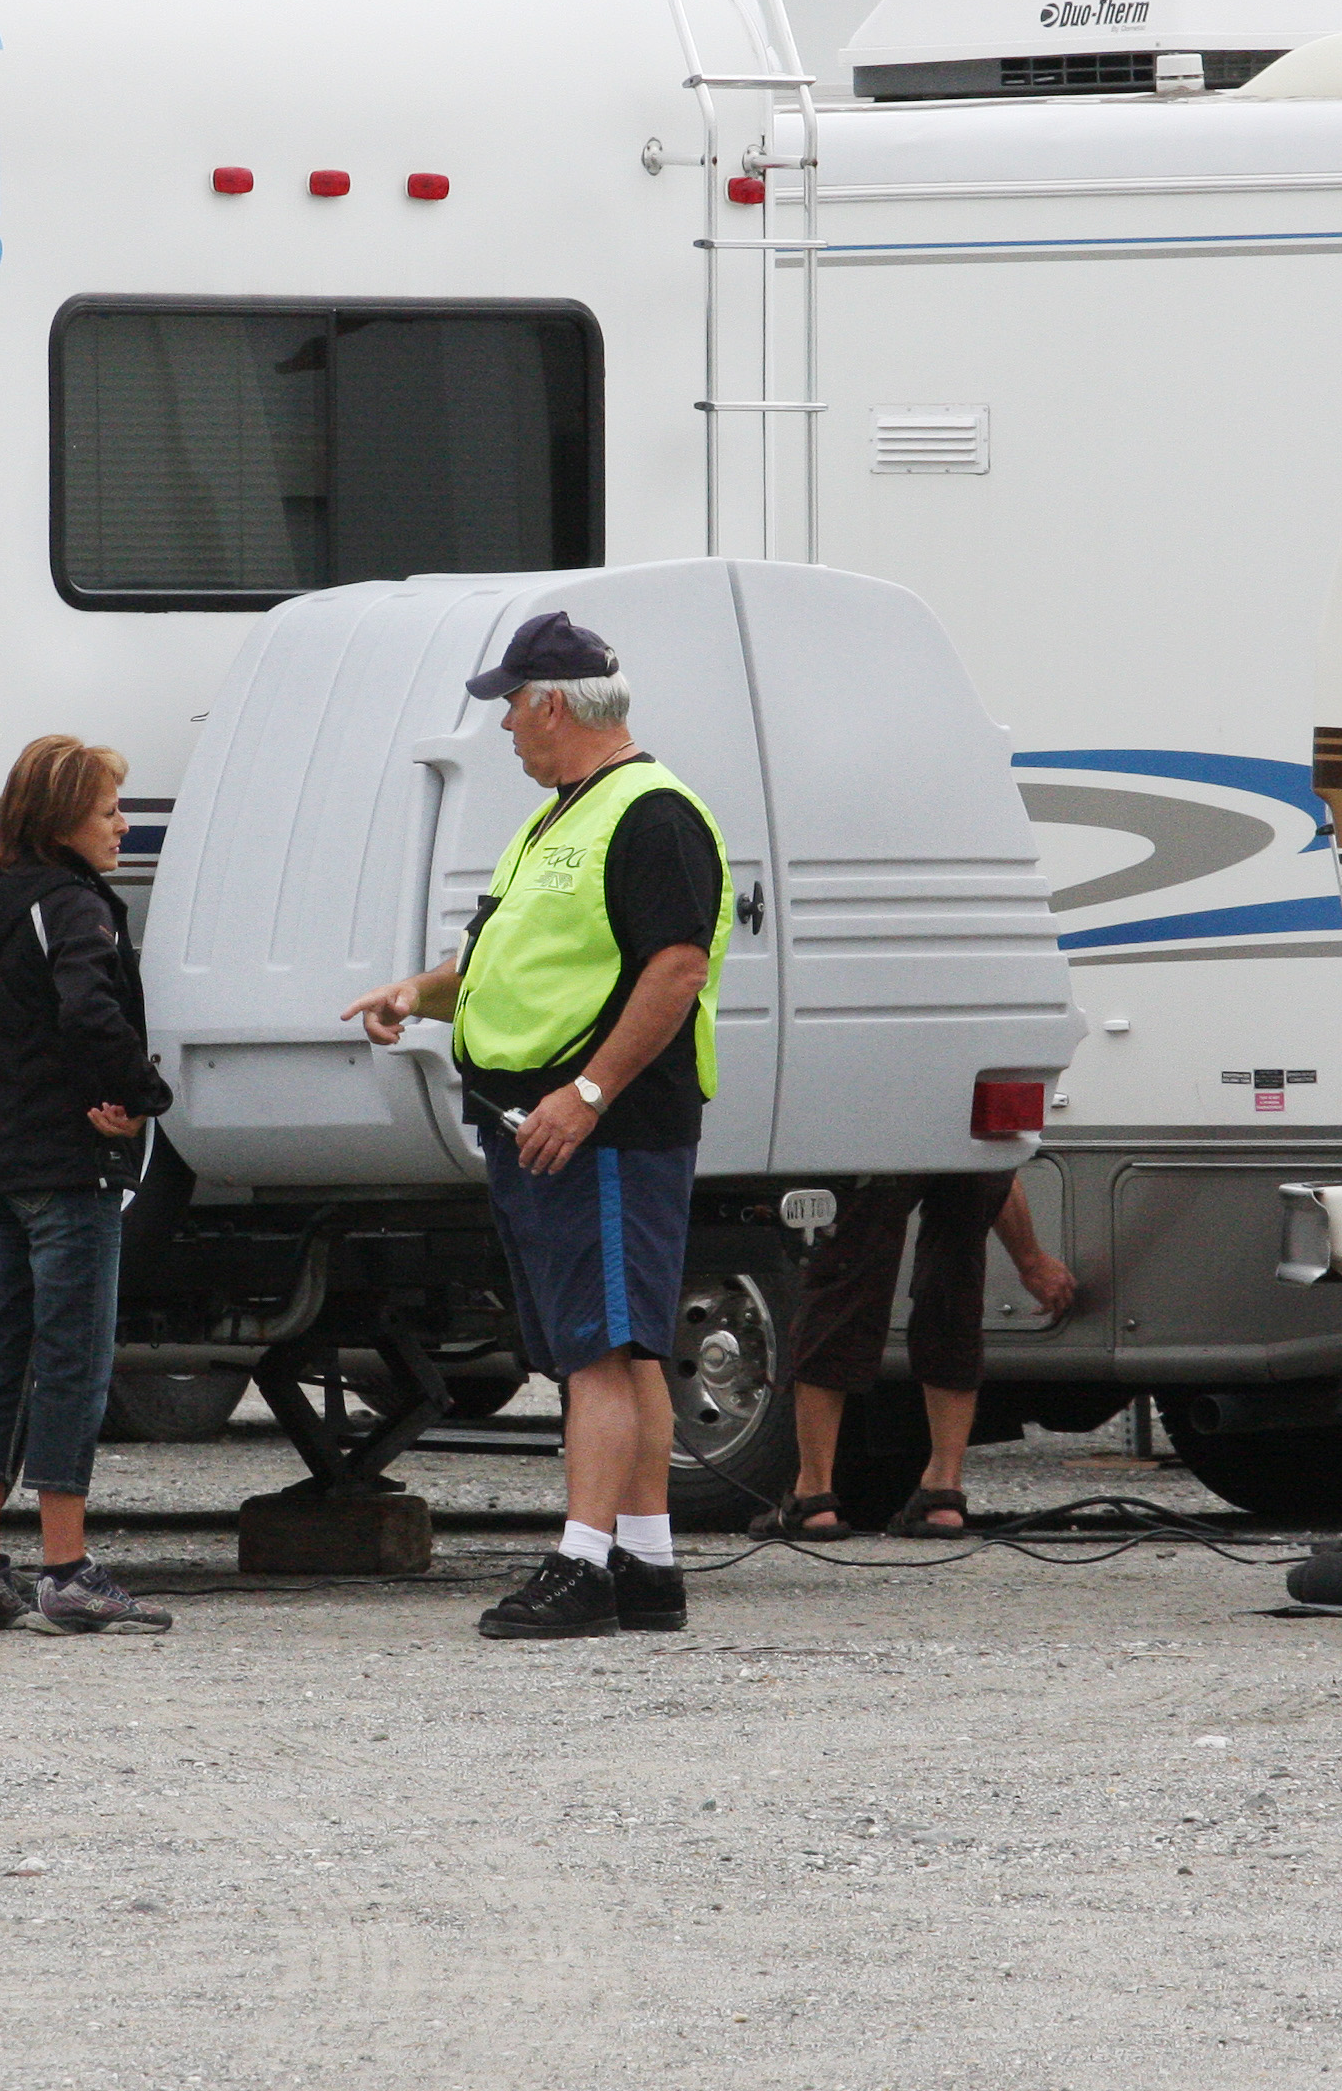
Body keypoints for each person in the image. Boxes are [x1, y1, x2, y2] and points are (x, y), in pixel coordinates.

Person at [343, 612, 730, 1641]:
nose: (506, 725)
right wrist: (416, 994)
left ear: (553, 702)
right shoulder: (561, 816)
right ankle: (646, 1565)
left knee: (598, 1354)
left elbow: (677, 967)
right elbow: (506, 956)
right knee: (624, 1349)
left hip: (599, 1126)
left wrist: (589, 1092)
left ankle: (582, 1567)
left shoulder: (652, 813)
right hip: (542, 1123)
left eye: (512, 705)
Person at [0, 735, 177, 1635]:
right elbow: (88, 1009)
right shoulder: (75, 905)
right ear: (67, 815)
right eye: (110, 809)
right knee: (73, 1360)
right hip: (68, 1168)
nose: (123, 825)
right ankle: (67, 1571)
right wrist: (136, 1095)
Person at [759, 1176, 1078, 1538]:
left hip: (885, 1146)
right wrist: (1029, 1259)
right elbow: (997, 1162)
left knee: (843, 1291)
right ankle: (943, 1494)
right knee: (954, 1290)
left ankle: (812, 1498)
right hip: (977, 1152)